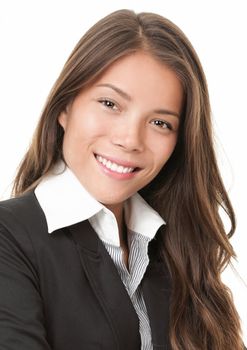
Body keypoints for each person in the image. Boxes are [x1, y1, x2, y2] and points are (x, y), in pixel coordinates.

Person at [0, 9, 245, 350]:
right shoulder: (9, 235)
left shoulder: (175, 249)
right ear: (65, 107)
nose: (130, 139)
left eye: (160, 123)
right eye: (109, 103)